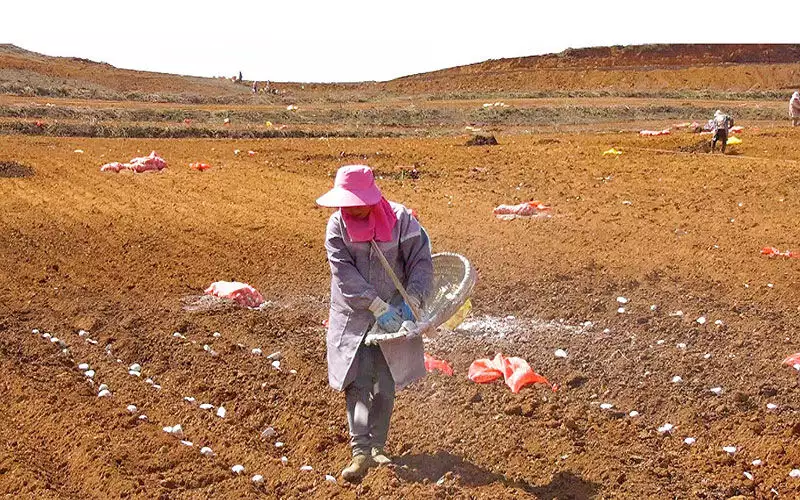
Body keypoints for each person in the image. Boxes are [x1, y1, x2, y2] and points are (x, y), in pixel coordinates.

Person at [317, 165, 433, 483]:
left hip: (396, 314)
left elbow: (421, 261)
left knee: (385, 380)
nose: (351, 208)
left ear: (372, 198)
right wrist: (374, 304)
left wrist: (413, 301)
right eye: (347, 201)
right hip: (354, 314)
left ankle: (378, 447)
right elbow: (344, 275)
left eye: (358, 201)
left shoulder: (401, 221)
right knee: (357, 382)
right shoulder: (337, 226)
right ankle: (360, 451)